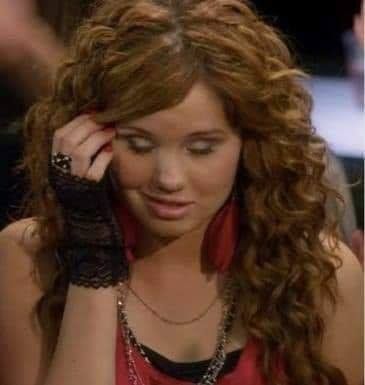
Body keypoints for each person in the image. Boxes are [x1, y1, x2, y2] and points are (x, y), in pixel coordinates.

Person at [0, 1, 363, 385]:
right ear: (85, 135)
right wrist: (92, 256)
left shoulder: (321, 273)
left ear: (252, 146)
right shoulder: (29, 258)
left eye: (201, 148)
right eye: (138, 144)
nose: (169, 179)